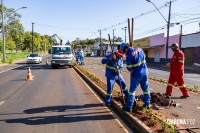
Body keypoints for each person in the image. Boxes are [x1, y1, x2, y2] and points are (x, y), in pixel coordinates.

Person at [120, 43, 151, 112]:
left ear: (125, 49)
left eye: (124, 51)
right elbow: (144, 57)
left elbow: (130, 68)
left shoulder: (129, 56)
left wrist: (129, 66)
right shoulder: (140, 50)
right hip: (145, 72)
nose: (124, 53)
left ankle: (129, 106)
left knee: (132, 91)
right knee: (146, 89)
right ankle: (147, 104)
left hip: (136, 74)